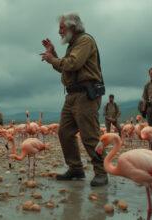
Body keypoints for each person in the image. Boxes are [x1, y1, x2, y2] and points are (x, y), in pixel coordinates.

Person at [40, 13, 108, 186]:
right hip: (72, 96)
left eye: (62, 27)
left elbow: (72, 64)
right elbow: (66, 69)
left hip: (86, 95)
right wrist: (54, 54)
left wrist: (52, 58)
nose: (59, 31)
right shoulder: (74, 45)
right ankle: (76, 168)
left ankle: (101, 171)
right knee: (64, 133)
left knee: (90, 136)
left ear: (73, 27)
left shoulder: (85, 41)